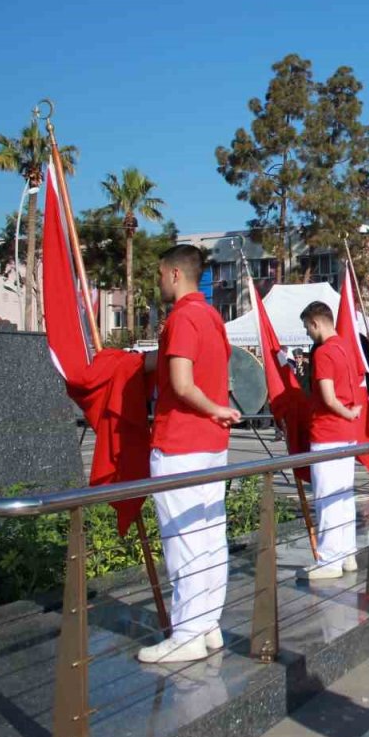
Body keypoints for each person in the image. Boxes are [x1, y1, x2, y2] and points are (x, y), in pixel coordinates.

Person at [138, 245, 240, 664]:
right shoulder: (213, 318)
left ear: (175, 274)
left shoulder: (181, 318)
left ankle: (186, 634)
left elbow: (181, 383)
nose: (159, 281)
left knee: (184, 542)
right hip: (212, 445)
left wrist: (215, 408)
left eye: (161, 274)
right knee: (210, 537)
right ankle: (206, 623)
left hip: (181, 442)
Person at [298, 301, 363, 579]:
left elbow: (327, 396)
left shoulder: (324, 352)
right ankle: (347, 553)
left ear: (316, 323)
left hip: (328, 431)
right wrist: (350, 414)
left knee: (327, 497)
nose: (307, 334)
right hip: (346, 433)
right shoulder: (345, 348)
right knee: (344, 495)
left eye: (307, 328)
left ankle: (329, 560)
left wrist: (345, 412)